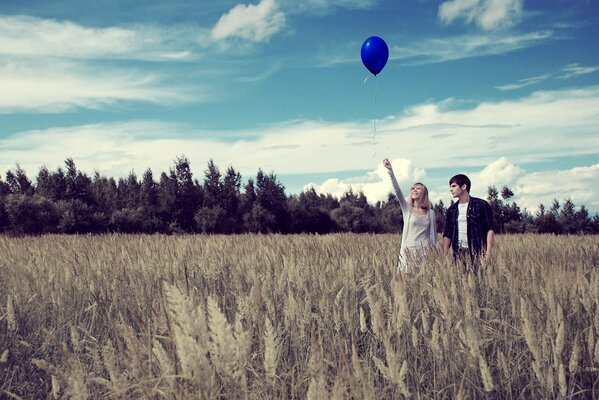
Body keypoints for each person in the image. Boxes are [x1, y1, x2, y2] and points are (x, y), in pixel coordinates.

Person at [383, 158, 437, 274]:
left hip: (425, 253)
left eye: (418, 188)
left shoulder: (430, 213)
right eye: (412, 188)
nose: (414, 190)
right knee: (406, 280)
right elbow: (397, 192)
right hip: (409, 250)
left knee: (423, 282)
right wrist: (391, 172)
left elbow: (434, 236)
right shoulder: (407, 209)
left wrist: (434, 253)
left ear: (424, 193)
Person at [442, 174, 494, 274]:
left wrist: (488, 253)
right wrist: (444, 256)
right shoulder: (451, 210)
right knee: (461, 284)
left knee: (480, 281)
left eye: (453, 186)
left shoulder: (481, 205)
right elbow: (447, 233)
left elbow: (489, 229)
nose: (451, 189)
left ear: (464, 187)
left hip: (478, 252)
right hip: (459, 254)